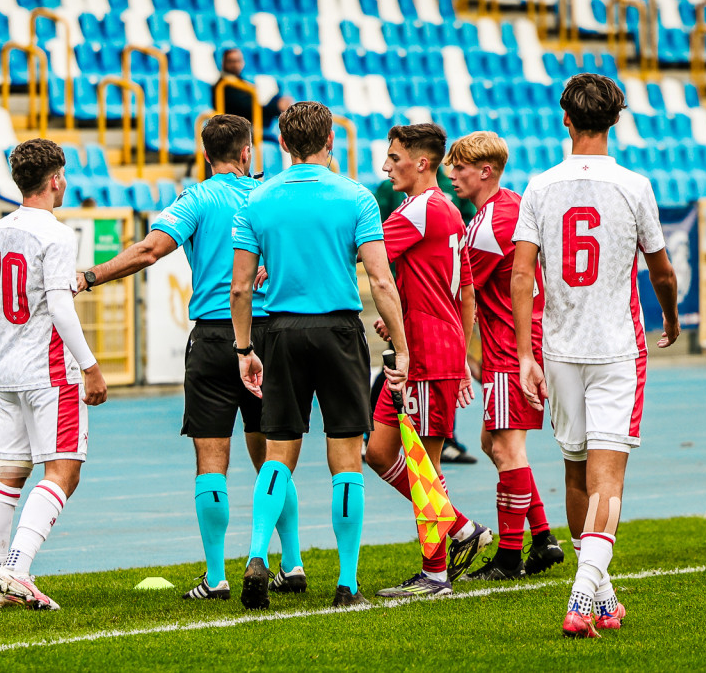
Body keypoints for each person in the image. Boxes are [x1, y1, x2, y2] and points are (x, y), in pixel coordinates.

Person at [74, 114, 305, 601]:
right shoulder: (271, 195)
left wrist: (91, 276)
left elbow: (149, 251)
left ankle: (217, 575)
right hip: (271, 336)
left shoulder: (197, 198)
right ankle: (295, 562)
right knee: (273, 458)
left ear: (206, 155)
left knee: (211, 459)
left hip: (216, 339)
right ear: (247, 153)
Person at [512, 73, 679, 637]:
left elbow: (520, 275)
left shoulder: (539, 186)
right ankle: (583, 596)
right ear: (615, 119)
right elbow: (661, 269)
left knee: (577, 473)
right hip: (616, 349)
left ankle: (602, 598)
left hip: (558, 350)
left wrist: (524, 353)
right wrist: (674, 316)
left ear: (565, 119)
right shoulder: (634, 185)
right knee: (610, 478)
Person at [230, 101, 409, 610]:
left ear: (282, 144)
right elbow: (380, 279)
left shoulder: (258, 200)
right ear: (330, 140)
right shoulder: (355, 197)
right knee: (346, 457)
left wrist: (245, 347)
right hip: (338, 328)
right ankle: (347, 582)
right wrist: (401, 344)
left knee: (278, 451)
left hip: (281, 330)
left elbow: (240, 288)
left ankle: (256, 554)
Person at [0, 138, 108, 610]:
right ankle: (16, 569)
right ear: (54, 180)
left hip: (7, 368)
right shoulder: (55, 234)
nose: (65, 183)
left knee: (8, 472)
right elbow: (62, 312)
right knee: (64, 469)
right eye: (64, 176)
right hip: (49, 369)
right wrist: (91, 368)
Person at [365, 124, 492, 599]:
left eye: (394, 157)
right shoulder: (446, 212)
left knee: (424, 465)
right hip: (420, 348)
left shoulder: (420, 210)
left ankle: (435, 573)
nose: (385, 166)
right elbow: (461, 290)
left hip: (426, 354)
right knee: (379, 452)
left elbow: (364, 254)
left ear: (422, 162)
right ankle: (460, 528)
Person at [445, 131, 564, 581]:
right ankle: (542, 538)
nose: (451, 174)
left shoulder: (489, 225)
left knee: (507, 448)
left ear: (485, 172)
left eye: (459, 168)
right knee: (493, 444)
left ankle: (511, 556)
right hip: (517, 342)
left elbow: (457, 287)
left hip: (511, 348)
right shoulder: (511, 206)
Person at [214, 48, 292, 135]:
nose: (235, 64)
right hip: (236, 130)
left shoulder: (242, 82)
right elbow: (247, 107)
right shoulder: (223, 85)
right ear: (223, 62)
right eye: (231, 61)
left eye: (238, 61)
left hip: (250, 126)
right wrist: (276, 106)